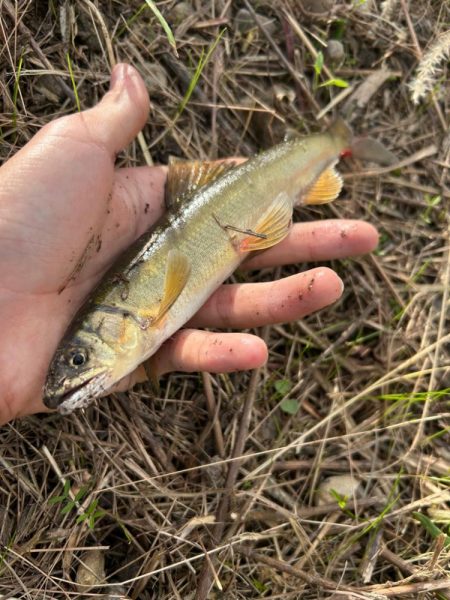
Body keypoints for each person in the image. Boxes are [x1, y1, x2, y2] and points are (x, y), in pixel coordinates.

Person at [0, 64, 378, 425]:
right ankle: (334, 142)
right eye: (77, 360)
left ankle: (334, 143)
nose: (74, 374)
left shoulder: (144, 319)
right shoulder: (132, 332)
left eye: (79, 358)